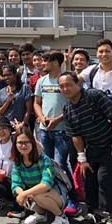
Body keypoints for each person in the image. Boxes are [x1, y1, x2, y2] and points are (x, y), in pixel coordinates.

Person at [60, 71, 112, 224]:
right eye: (61, 86)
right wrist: (82, 159)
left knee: (107, 180)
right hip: (92, 148)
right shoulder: (67, 108)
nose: (65, 89)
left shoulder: (94, 96)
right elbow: (75, 136)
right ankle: (93, 213)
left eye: (68, 85)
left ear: (77, 84)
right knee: (89, 179)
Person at [79, 38, 112, 217]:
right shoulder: (92, 71)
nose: (104, 54)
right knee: (98, 170)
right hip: (96, 127)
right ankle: (98, 207)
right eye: (101, 51)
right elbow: (75, 81)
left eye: (107, 51)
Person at [10, 126, 69, 224]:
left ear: (32, 143)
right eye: (20, 142)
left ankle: (62, 217)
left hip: (56, 194)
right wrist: (21, 193)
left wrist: (24, 194)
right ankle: (41, 214)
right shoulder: (17, 161)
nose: (23, 145)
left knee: (36, 196)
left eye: (27, 142)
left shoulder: (43, 159)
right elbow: (16, 184)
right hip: (35, 194)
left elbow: (46, 184)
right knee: (24, 195)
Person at [33, 51, 71, 180]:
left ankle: (71, 195)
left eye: (45, 60)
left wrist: (57, 119)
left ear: (55, 63)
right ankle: (53, 192)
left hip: (62, 130)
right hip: (44, 130)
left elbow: (72, 105)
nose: (42, 63)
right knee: (47, 164)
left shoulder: (65, 80)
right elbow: (36, 103)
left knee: (61, 164)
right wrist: (42, 117)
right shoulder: (41, 81)